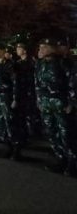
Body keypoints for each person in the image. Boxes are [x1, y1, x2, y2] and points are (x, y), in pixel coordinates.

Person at [35, 38, 74, 175]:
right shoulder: (40, 64)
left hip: (60, 103)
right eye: (40, 47)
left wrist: (72, 102)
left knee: (66, 133)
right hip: (46, 103)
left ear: (52, 49)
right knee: (52, 132)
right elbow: (38, 85)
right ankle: (61, 158)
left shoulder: (63, 63)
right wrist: (39, 100)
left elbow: (72, 84)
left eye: (44, 47)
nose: (41, 50)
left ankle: (72, 162)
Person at [0, 43, 20, 159]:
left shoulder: (10, 65)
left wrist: (15, 99)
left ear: (3, 51)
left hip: (6, 97)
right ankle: (7, 145)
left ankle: (16, 148)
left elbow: (15, 82)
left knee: (10, 122)